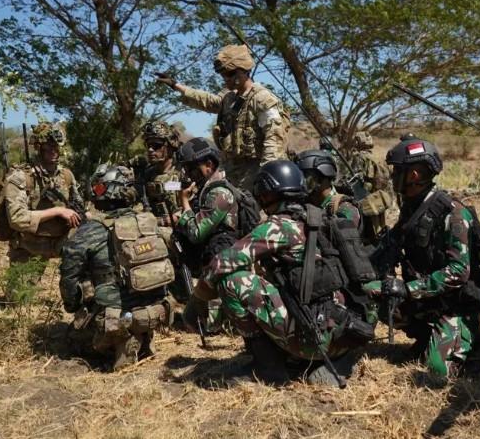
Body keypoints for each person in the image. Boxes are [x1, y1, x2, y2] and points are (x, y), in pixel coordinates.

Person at [190, 160, 374, 385]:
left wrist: (197, 299)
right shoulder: (317, 217)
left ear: (268, 193)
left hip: (314, 340)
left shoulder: (279, 226)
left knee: (232, 281)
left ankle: (267, 368)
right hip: (343, 334)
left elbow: (221, 263)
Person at [366, 138, 480, 379]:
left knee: (438, 371)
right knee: (375, 294)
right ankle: (427, 337)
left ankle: (473, 340)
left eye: (397, 171)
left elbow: (458, 272)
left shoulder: (452, 212)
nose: (392, 177)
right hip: (427, 298)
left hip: (455, 304)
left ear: (413, 175)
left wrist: (408, 289)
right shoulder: (412, 208)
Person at [59, 164, 173, 371]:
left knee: (71, 339)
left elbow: (69, 275)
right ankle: (141, 335)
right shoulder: (148, 223)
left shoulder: (91, 231)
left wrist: (73, 305)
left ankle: (121, 342)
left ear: (105, 191)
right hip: (156, 312)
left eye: (98, 187)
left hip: (116, 319)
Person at [157, 45, 290, 190]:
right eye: (223, 75)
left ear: (241, 72)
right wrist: (176, 86)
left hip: (256, 172)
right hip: (233, 172)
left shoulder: (262, 99)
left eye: (228, 74)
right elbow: (208, 100)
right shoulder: (230, 99)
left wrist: (267, 174)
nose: (225, 79)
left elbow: (274, 139)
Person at [174, 138, 241, 333]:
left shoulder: (219, 192)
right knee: (190, 318)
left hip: (224, 263)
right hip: (214, 263)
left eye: (191, 168)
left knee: (198, 322)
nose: (188, 174)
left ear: (209, 165)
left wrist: (184, 202)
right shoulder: (206, 190)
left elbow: (196, 233)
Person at [4, 122, 83, 265]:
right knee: (23, 280)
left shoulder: (66, 175)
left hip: (62, 242)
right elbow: (17, 218)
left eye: (56, 146)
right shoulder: (22, 177)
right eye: (48, 146)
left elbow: (78, 207)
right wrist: (58, 211)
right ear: (38, 147)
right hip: (30, 246)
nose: (53, 150)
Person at [128, 121, 184, 227]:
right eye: (148, 145)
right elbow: (133, 194)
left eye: (156, 145)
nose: (150, 149)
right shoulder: (147, 174)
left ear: (170, 146)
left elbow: (191, 209)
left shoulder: (183, 173)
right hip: (150, 228)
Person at [346, 131, 394, 244]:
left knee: (367, 230)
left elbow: (354, 179)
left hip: (366, 198)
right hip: (380, 198)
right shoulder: (378, 158)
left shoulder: (359, 157)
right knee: (379, 226)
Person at [295, 149, 361, 225]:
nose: (301, 182)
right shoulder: (305, 205)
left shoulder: (344, 209)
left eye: (306, 176)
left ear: (323, 175)